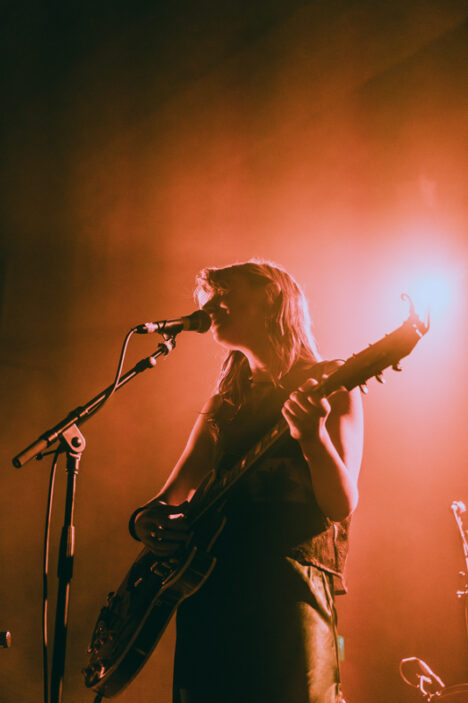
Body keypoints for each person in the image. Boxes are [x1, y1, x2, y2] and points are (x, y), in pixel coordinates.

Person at [130, 259, 364, 703]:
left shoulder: (331, 381)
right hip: (210, 588)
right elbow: (170, 497)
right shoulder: (224, 402)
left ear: (271, 299)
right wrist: (144, 521)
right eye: (209, 297)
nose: (210, 307)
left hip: (289, 586)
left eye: (225, 294)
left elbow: (340, 504)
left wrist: (313, 437)